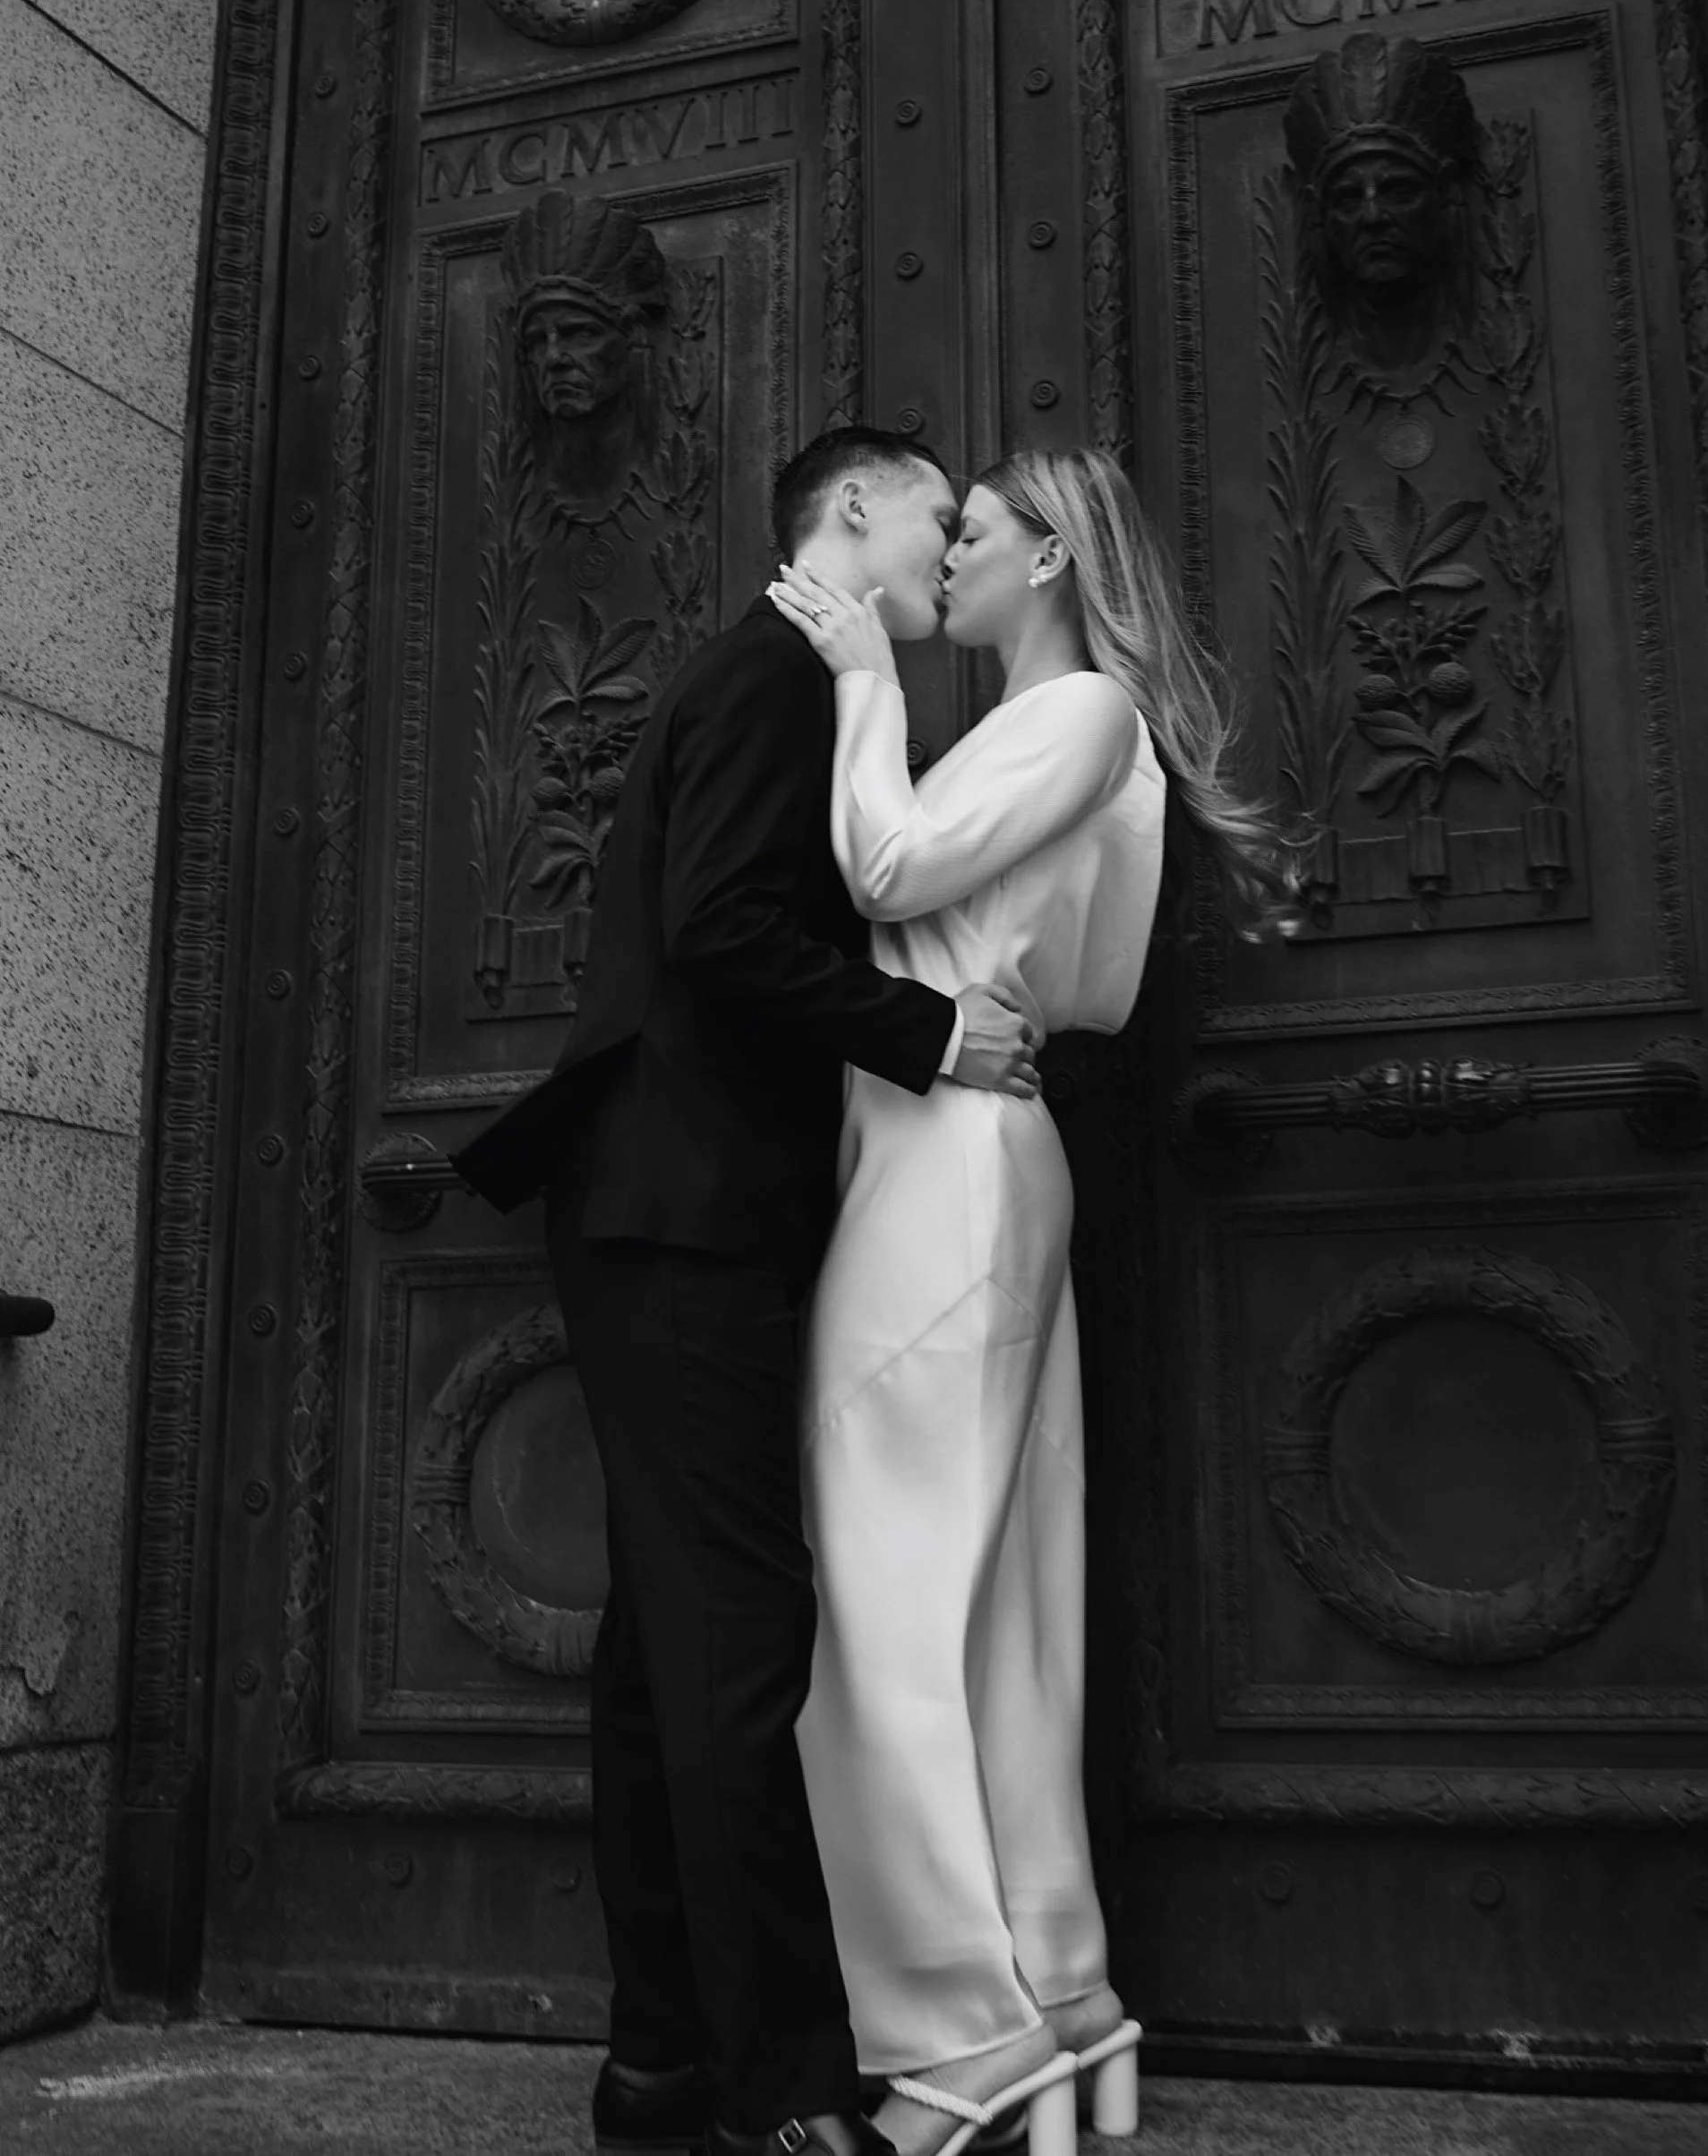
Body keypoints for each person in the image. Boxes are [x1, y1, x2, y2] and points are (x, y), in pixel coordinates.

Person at [452, 428, 1041, 2156]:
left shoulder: (788, 677)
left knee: (667, 1654)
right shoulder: (774, 676)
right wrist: (933, 1035)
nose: (949, 547)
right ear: (851, 511)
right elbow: (722, 927)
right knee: (730, 1651)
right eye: (939, 512)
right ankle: (784, 2094)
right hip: (683, 1214)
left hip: (666, 1212)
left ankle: (660, 2069)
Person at [766, 448, 1290, 2156]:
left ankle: (953, 2032)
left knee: (886, 1599)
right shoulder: (1054, 728)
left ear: (1048, 553)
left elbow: (887, 870)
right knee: (991, 1608)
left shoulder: (1073, 719)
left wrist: (855, 684)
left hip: (951, 1166)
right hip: (972, 1153)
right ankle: (1056, 1998)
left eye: (973, 532)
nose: (950, 557)